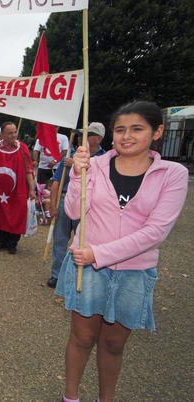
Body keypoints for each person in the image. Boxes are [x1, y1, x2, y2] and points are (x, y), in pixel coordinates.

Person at [55, 101, 188, 402]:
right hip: (86, 267)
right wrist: (77, 176)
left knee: (114, 344)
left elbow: (155, 232)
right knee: (82, 337)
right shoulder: (96, 164)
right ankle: (70, 397)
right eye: (120, 129)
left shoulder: (173, 174)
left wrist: (98, 253)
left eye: (137, 129)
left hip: (132, 271)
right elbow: (74, 210)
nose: (127, 136)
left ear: (157, 132)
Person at [47, 123, 106, 289]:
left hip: (90, 204)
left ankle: (80, 276)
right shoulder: (69, 157)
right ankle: (57, 275)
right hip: (65, 200)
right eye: (81, 134)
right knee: (60, 240)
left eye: (89, 134)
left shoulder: (105, 160)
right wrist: (53, 205)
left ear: (100, 138)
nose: (82, 137)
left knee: (84, 243)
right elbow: (55, 182)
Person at [0, 122, 35, 254]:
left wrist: (31, 189)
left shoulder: (22, 148)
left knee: (17, 215)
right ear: (2, 135)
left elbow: (29, 170)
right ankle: (1, 241)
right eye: (10, 133)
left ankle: (12, 243)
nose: (14, 135)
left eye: (15, 132)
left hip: (18, 190)